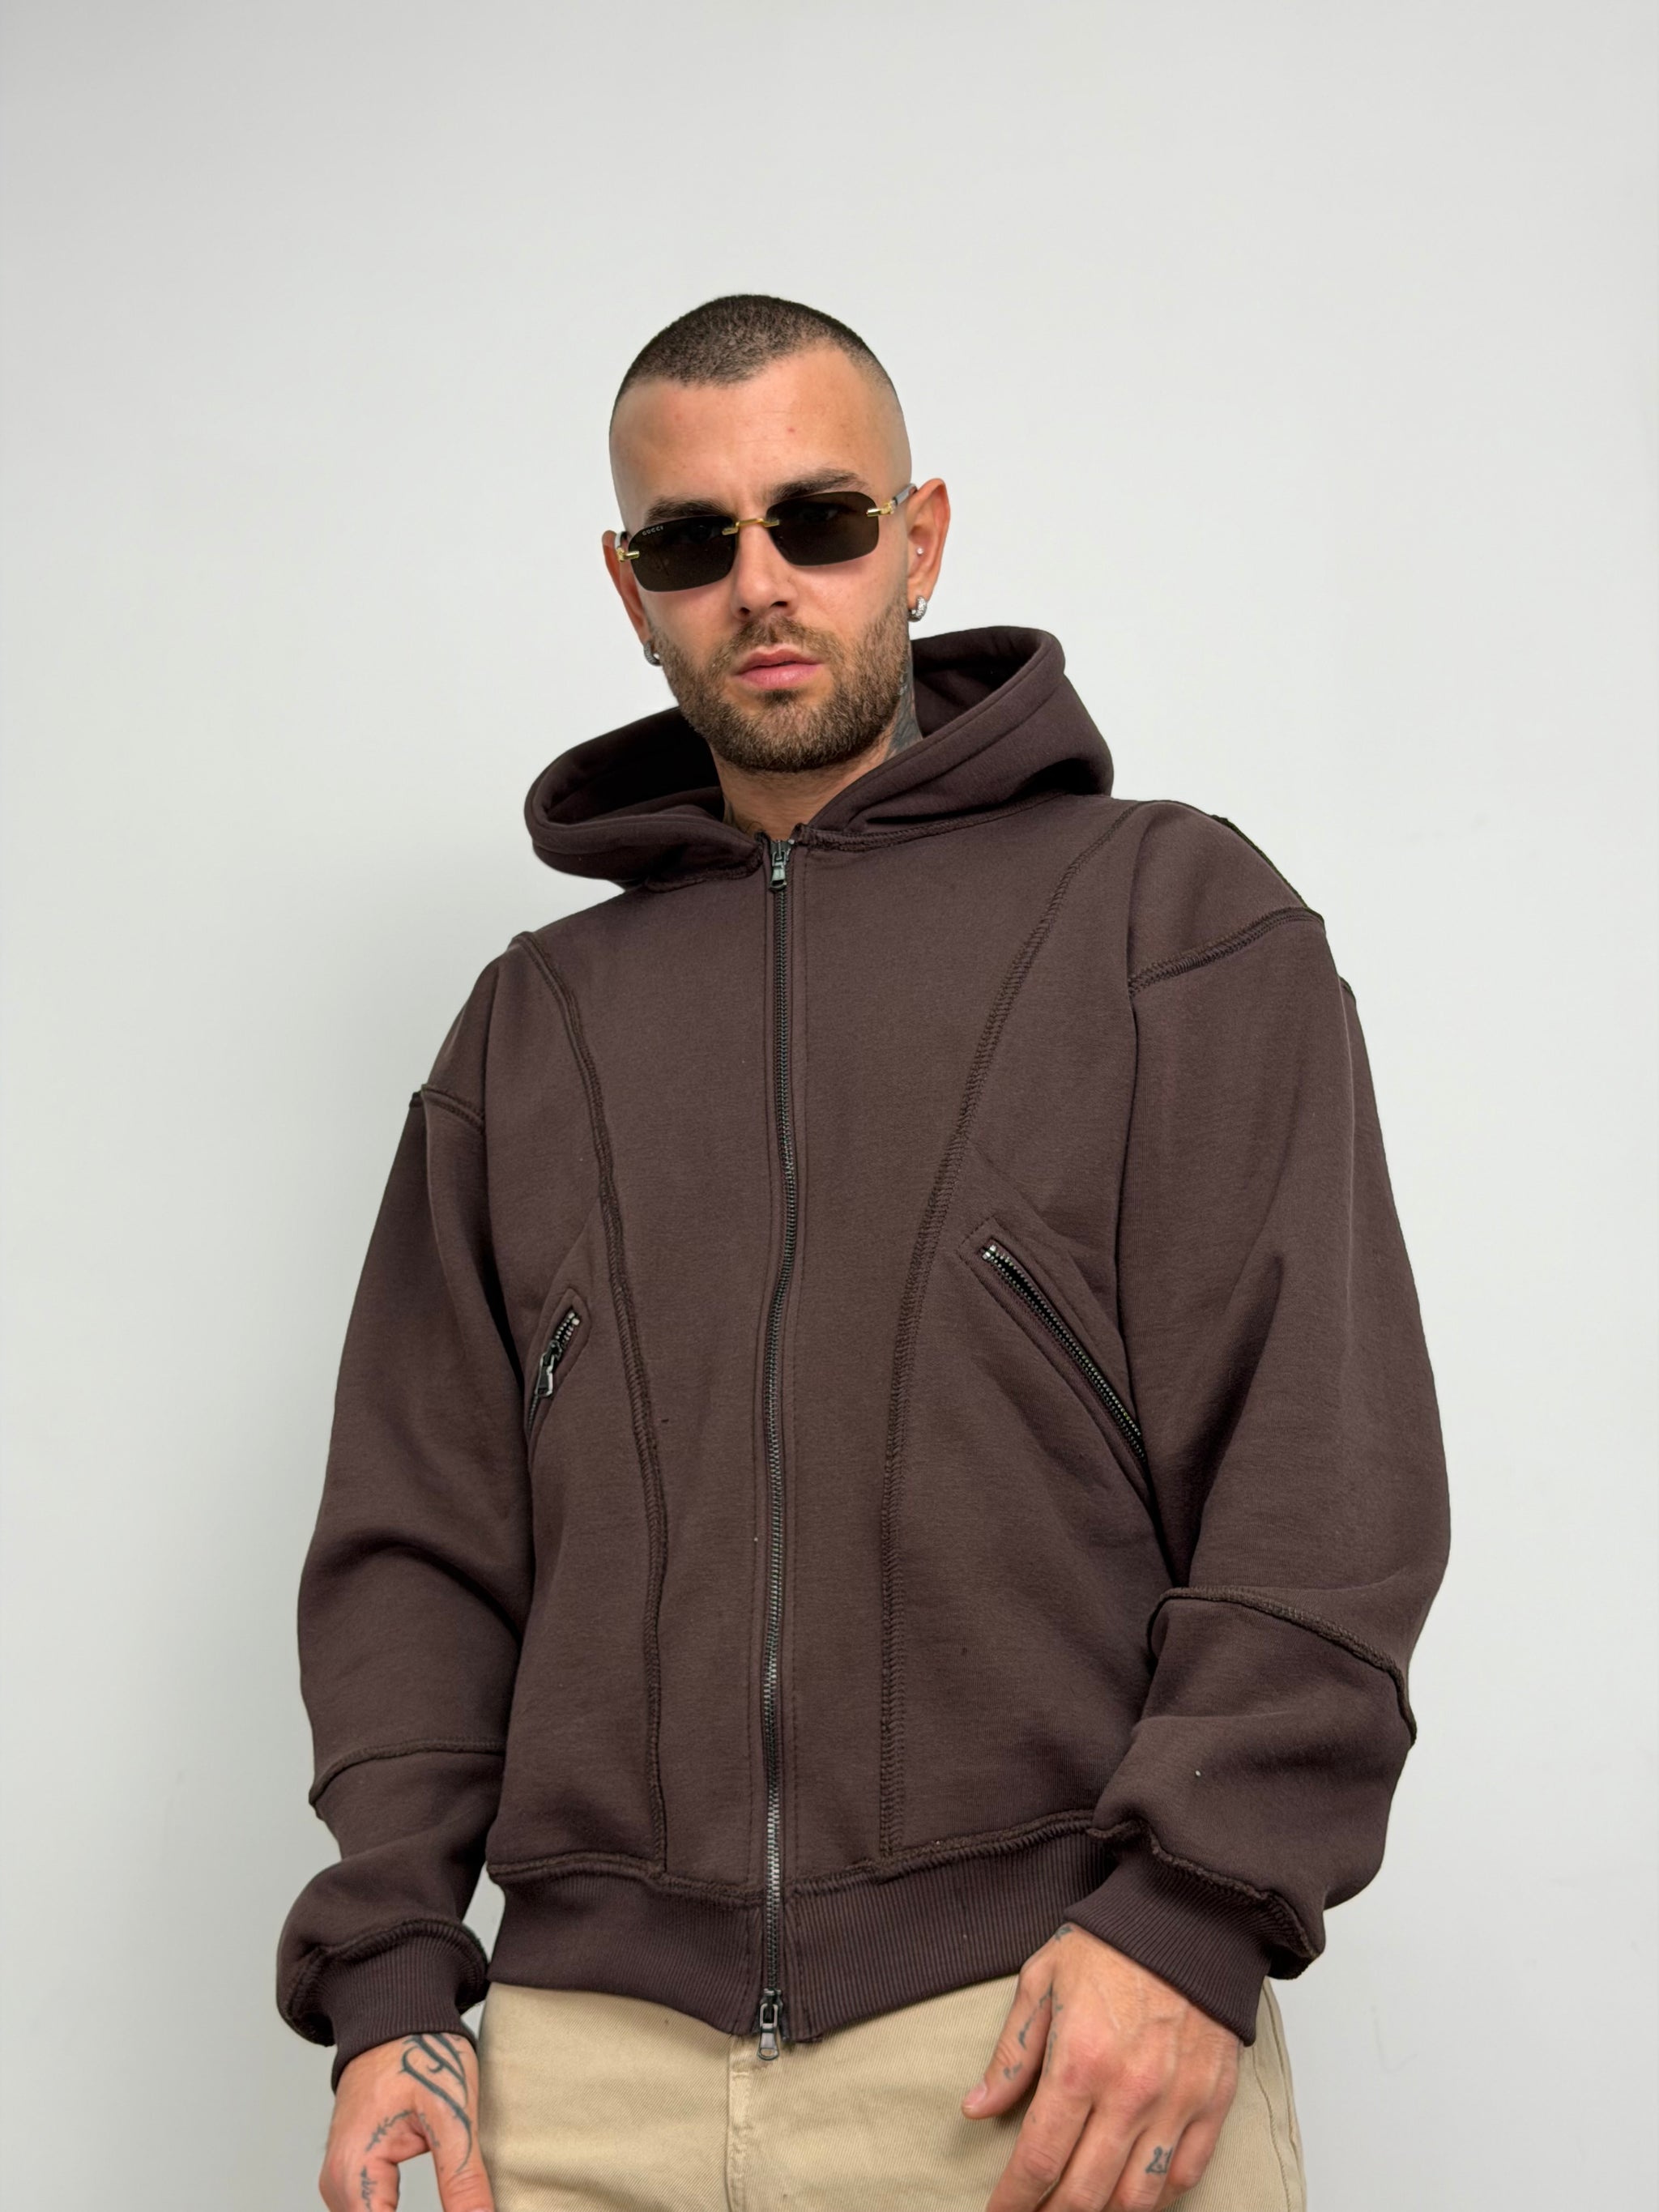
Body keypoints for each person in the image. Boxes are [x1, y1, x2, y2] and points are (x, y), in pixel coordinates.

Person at [279, 294, 1449, 2212]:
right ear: (629, 588)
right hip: (588, 2088)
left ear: (919, 538)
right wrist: (393, 1978)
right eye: (690, 542)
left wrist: (1192, 1913)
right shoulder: (532, 1029)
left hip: (1048, 2046)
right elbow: (418, 1537)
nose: (759, 582)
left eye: (817, 519)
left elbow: (1323, 1466)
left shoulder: (1167, 921)